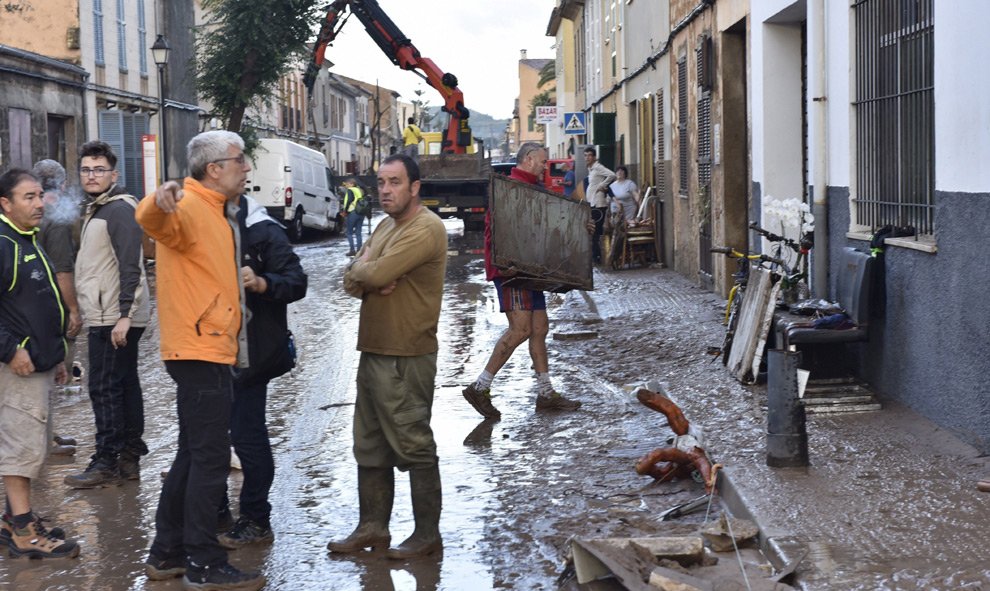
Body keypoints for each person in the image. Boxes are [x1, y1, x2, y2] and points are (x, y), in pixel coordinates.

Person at [136, 131, 264, 590]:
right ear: (214, 169)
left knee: (194, 456)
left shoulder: (216, 209)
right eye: (239, 160)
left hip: (205, 346)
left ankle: (166, 553)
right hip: (197, 348)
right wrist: (160, 196)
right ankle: (204, 562)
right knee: (210, 462)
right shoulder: (187, 205)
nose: (246, 167)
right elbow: (151, 220)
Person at [330, 153, 447, 560]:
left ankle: (427, 534)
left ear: (415, 187)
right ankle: (372, 527)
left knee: (413, 443)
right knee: (369, 443)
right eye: (381, 182)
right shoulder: (382, 226)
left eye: (394, 182)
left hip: (406, 354)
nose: (384, 190)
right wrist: (365, 268)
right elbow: (352, 280)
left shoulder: (426, 228)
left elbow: (372, 275)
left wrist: (369, 270)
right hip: (374, 350)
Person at [461, 142, 583, 421]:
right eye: (542, 161)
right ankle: (480, 387)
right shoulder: (512, 188)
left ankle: (546, 393)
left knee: (539, 328)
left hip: (528, 271)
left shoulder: (528, 188)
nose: (544, 166)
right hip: (512, 271)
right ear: (529, 159)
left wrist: (578, 225)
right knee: (521, 329)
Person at [217, 193, 307, 549]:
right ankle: (217, 510)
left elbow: (296, 281)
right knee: (210, 438)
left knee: (246, 435)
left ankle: (256, 519)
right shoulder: (207, 219)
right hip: (213, 352)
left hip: (252, 355)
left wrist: (262, 283)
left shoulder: (263, 229)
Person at [63, 141, 151, 489]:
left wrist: (124, 316)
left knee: (104, 387)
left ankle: (106, 460)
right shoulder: (98, 209)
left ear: (114, 174)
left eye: (99, 170)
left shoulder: (117, 211)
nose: (91, 175)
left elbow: (132, 267)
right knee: (124, 384)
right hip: (109, 312)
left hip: (113, 316)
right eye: (86, 169)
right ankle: (128, 458)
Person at [0, 168, 78, 559]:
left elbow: (43, 302)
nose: (38, 203)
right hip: (17, 368)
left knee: (32, 444)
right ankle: (24, 532)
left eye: (38, 195)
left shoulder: (27, 238)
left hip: (40, 362)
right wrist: (10, 349)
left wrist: (57, 355)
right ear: (5, 203)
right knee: (21, 448)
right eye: (27, 197)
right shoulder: (3, 243)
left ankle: (11, 518)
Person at [32, 159, 81, 457]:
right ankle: (43, 439)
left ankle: (45, 433)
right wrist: (73, 309)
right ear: (63, 185)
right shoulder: (57, 219)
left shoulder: (24, 214)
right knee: (50, 375)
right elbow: (63, 272)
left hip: (27, 307)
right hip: (50, 309)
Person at [584, 147, 616, 264]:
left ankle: (597, 257)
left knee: (596, 231)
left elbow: (612, 175)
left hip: (598, 203)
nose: (587, 157)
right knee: (594, 230)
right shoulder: (591, 169)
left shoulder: (598, 167)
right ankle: (596, 256)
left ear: (594, 157)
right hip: (592, 202)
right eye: (586, 155)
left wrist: (602, 185)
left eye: (589, 155)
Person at [342, 177, 367, 256]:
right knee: (358, 232)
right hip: (361, 212)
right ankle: (359, 250)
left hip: (353, 211)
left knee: (349, 232)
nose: (346, 185)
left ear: (352, 184)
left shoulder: (350, 190)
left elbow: (349, 200)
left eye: (347, 184)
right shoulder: (360, 190)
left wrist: (345, 211)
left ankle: (352, 250)